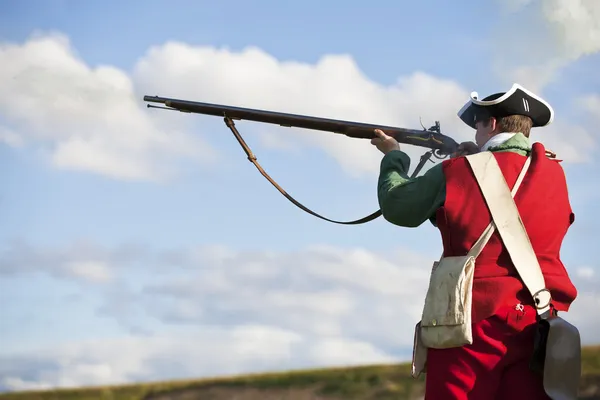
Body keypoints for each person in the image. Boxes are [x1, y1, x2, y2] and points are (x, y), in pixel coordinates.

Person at [371, 83, 578, 399]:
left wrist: (394, 157)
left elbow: (398, 206)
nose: (476, 133)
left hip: (471, 320)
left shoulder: (460, 170)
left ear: (492, 124)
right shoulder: (555, 174)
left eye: (478, 124)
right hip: (539, 324)